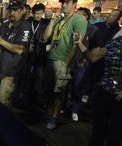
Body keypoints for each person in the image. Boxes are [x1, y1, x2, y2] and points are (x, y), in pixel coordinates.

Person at [75, 21, 122, 146]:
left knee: (115, 136)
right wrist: (80, 44)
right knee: (98, 132)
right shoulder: (116, 42)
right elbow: (93, 57)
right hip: (104, 93)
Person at [42, 0, 87, 129]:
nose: (64, 5)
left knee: (59, 91)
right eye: (62, 3)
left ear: (74, 3)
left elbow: (77, 43)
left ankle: (54, 117)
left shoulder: (79, 19)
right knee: (49, 89)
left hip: (62, 60)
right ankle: (50, 113)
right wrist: (52, 21)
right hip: (51, 57)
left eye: (67, 2)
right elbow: (45, 37)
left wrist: (67, 62)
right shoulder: (59, 19)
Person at [0, 1, 32, 107]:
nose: (12, 13)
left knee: (4, 102)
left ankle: (3, 122)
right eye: (10, 10)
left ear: (21, 10)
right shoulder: (4, 25)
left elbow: (19, 49)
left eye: (15, 10)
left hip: (10, 71)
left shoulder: (25, 26)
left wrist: (1, 41)